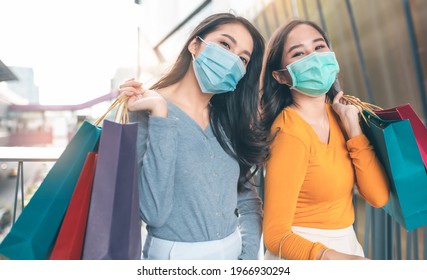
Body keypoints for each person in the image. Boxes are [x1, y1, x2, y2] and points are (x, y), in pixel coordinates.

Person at [118, 13, 269, 260]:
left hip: (234, 254)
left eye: (242, 58)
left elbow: (247, 201)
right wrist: (160, 116)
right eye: (225, 44)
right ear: (195, 44)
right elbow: (153, 213)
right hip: (174, 259)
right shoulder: (144, 109)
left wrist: (247, 260)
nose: (232, 60)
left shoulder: (228, 118)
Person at [260, 19, 390, 260]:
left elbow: (378, 196)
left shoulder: (339, 116)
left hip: (345, 246)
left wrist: (354, 130)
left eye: (319, 47)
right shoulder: (290, 133)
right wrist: (328, 257)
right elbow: (275, 235)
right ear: (280, 76)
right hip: (305, 254)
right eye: (299, 53)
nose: (314, 58)